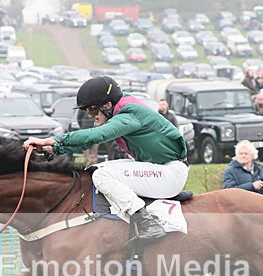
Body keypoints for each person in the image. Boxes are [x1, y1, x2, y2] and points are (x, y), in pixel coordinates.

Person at [22, 76, 188, 243]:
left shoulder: (128, 115)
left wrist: (51, 140)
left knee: (102, 176)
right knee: (94, 169)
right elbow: (89, 140)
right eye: (87, 111)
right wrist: (54, 148)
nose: (91, 115)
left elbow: (96, 135)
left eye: (93, 110)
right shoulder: (117, 110)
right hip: (158, 168)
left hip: (170, 173)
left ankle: (146, 222)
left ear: (108, 105)